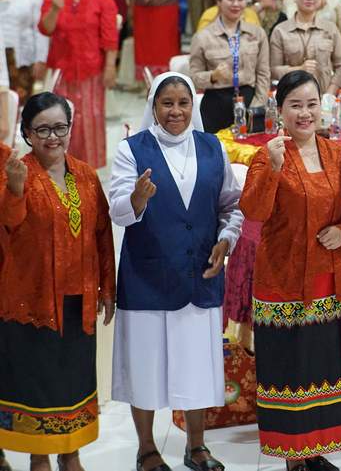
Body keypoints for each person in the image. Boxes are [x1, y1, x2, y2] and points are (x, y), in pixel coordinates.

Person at [109, 72, 242, 471]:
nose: (175, 111)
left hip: (199, 273)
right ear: (153, 106)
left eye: (183, 103)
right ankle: (147, 449)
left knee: (196, 365)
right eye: (166, 103)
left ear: (193, 106)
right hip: (147, 275)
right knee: (145, 367)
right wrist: (136, 197)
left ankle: (196, 446)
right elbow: (117, 210)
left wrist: (226, 240)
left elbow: (230, 205)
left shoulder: (212, 147)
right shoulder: (131, 150)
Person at [240, 70, 341, 471]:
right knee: (289, 369)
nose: (305, 113)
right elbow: (253, 211)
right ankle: (294, 456)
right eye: (296, 105)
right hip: (283, 280)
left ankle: (315, 450)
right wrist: (274, 168)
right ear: (281, 110)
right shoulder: (267, 154)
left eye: (312, 104)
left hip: (327, 278)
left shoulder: (337, 154)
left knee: (321, 365)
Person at [0, 92, 115, 471]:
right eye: (43, 129)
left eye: (60, 127)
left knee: (74, 378)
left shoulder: (84, 173)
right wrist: (14, 190)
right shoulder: (17, 172)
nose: (53, 137)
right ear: (27, 133)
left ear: (70, 128)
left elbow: (102, 233)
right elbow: (8, 226)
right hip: (33, 299)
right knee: (39, 380)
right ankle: (39, 457)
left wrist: (107, 288)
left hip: (78, 297)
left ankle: (72, 454)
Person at [39, 0, 118, 169]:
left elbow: (110, 36)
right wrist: (55, 8)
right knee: (60, 117)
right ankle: (59, 164)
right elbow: (46, 28)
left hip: (92, 69)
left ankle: (90, 168)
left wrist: (110, 67)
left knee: (91, 118)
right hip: (61, 69)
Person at [190, 0, 271, 132]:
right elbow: (193, 79)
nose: (236, 4)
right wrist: (213, 76)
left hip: (250, 101)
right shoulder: (202, 37)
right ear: (218, 0)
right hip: (215, 106)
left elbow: (263, 73)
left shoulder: (257, 33)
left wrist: (257, 105)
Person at [271, 0, 341, 96]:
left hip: (323, 97)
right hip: (290, 98)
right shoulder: (280, 30)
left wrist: (329, 94)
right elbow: (273, 70)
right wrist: (299, 69)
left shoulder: (330, 29)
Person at [0, 0, 45, 104]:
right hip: (0, 54)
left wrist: (41, 58)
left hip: (23, 57)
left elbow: (40, 29)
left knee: (21, 103)